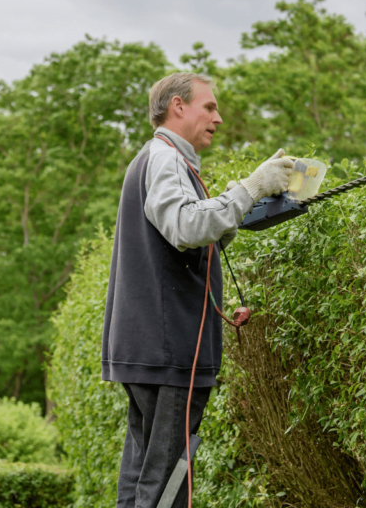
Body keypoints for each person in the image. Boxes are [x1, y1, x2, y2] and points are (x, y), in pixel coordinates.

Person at [102, 72, 293, 508]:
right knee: (168, 485)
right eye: (209, 107)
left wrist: (243, 201)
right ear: (178, 106)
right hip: (171, 349)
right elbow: (186, 226)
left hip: (146, 348)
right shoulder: (166, 158)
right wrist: (250, 187)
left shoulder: (161, 160)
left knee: (141, 481)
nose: (218, 118)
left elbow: (190, 226)